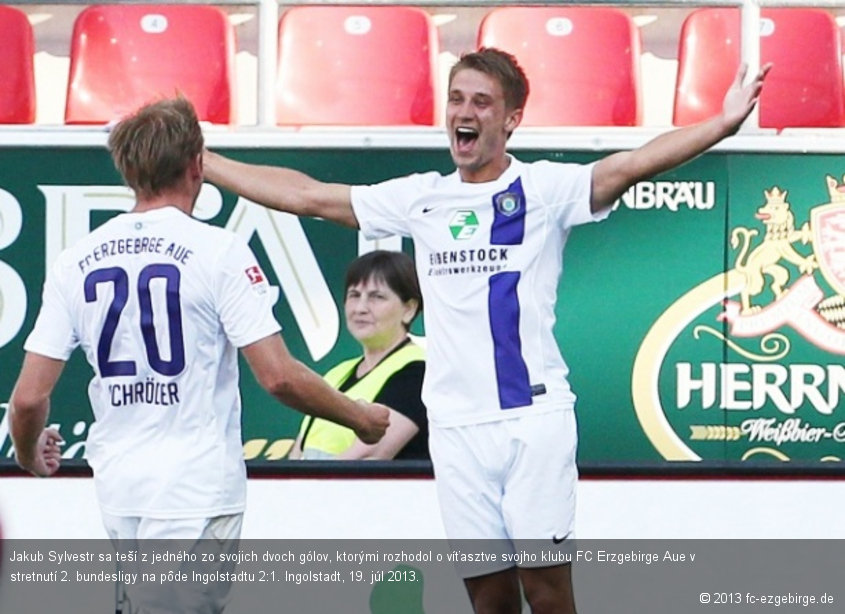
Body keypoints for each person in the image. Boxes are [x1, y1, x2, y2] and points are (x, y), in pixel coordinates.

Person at [202, 48, 770, 614]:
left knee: (546, 590)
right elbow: (307, 195)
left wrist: (720, 124)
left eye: (481, 102)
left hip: (531, 422)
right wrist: (204, 162)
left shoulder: (544, 190)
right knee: (488, 598)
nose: (463, 112)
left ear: (511, 118)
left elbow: (631, 164)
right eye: (455, 99)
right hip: (455, 430)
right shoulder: (422, 197)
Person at [7, 97, 389, 614]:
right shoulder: (218, 251)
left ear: (128, 170)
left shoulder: (75, 261)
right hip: (195, 489)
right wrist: (360, 417)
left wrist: (29, 454)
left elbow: (28, 400)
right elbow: (277, 378)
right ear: (197, 165)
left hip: (121, 489)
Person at [288, 249, 428, 460]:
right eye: (354, 295)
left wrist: (305, 489)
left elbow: (367, 459)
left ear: (409, 309)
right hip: (313, 490)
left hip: (361, 492)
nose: (360, 308)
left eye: (377, 297)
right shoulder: (336, 374)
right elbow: (297, 455)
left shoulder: (419, 372)